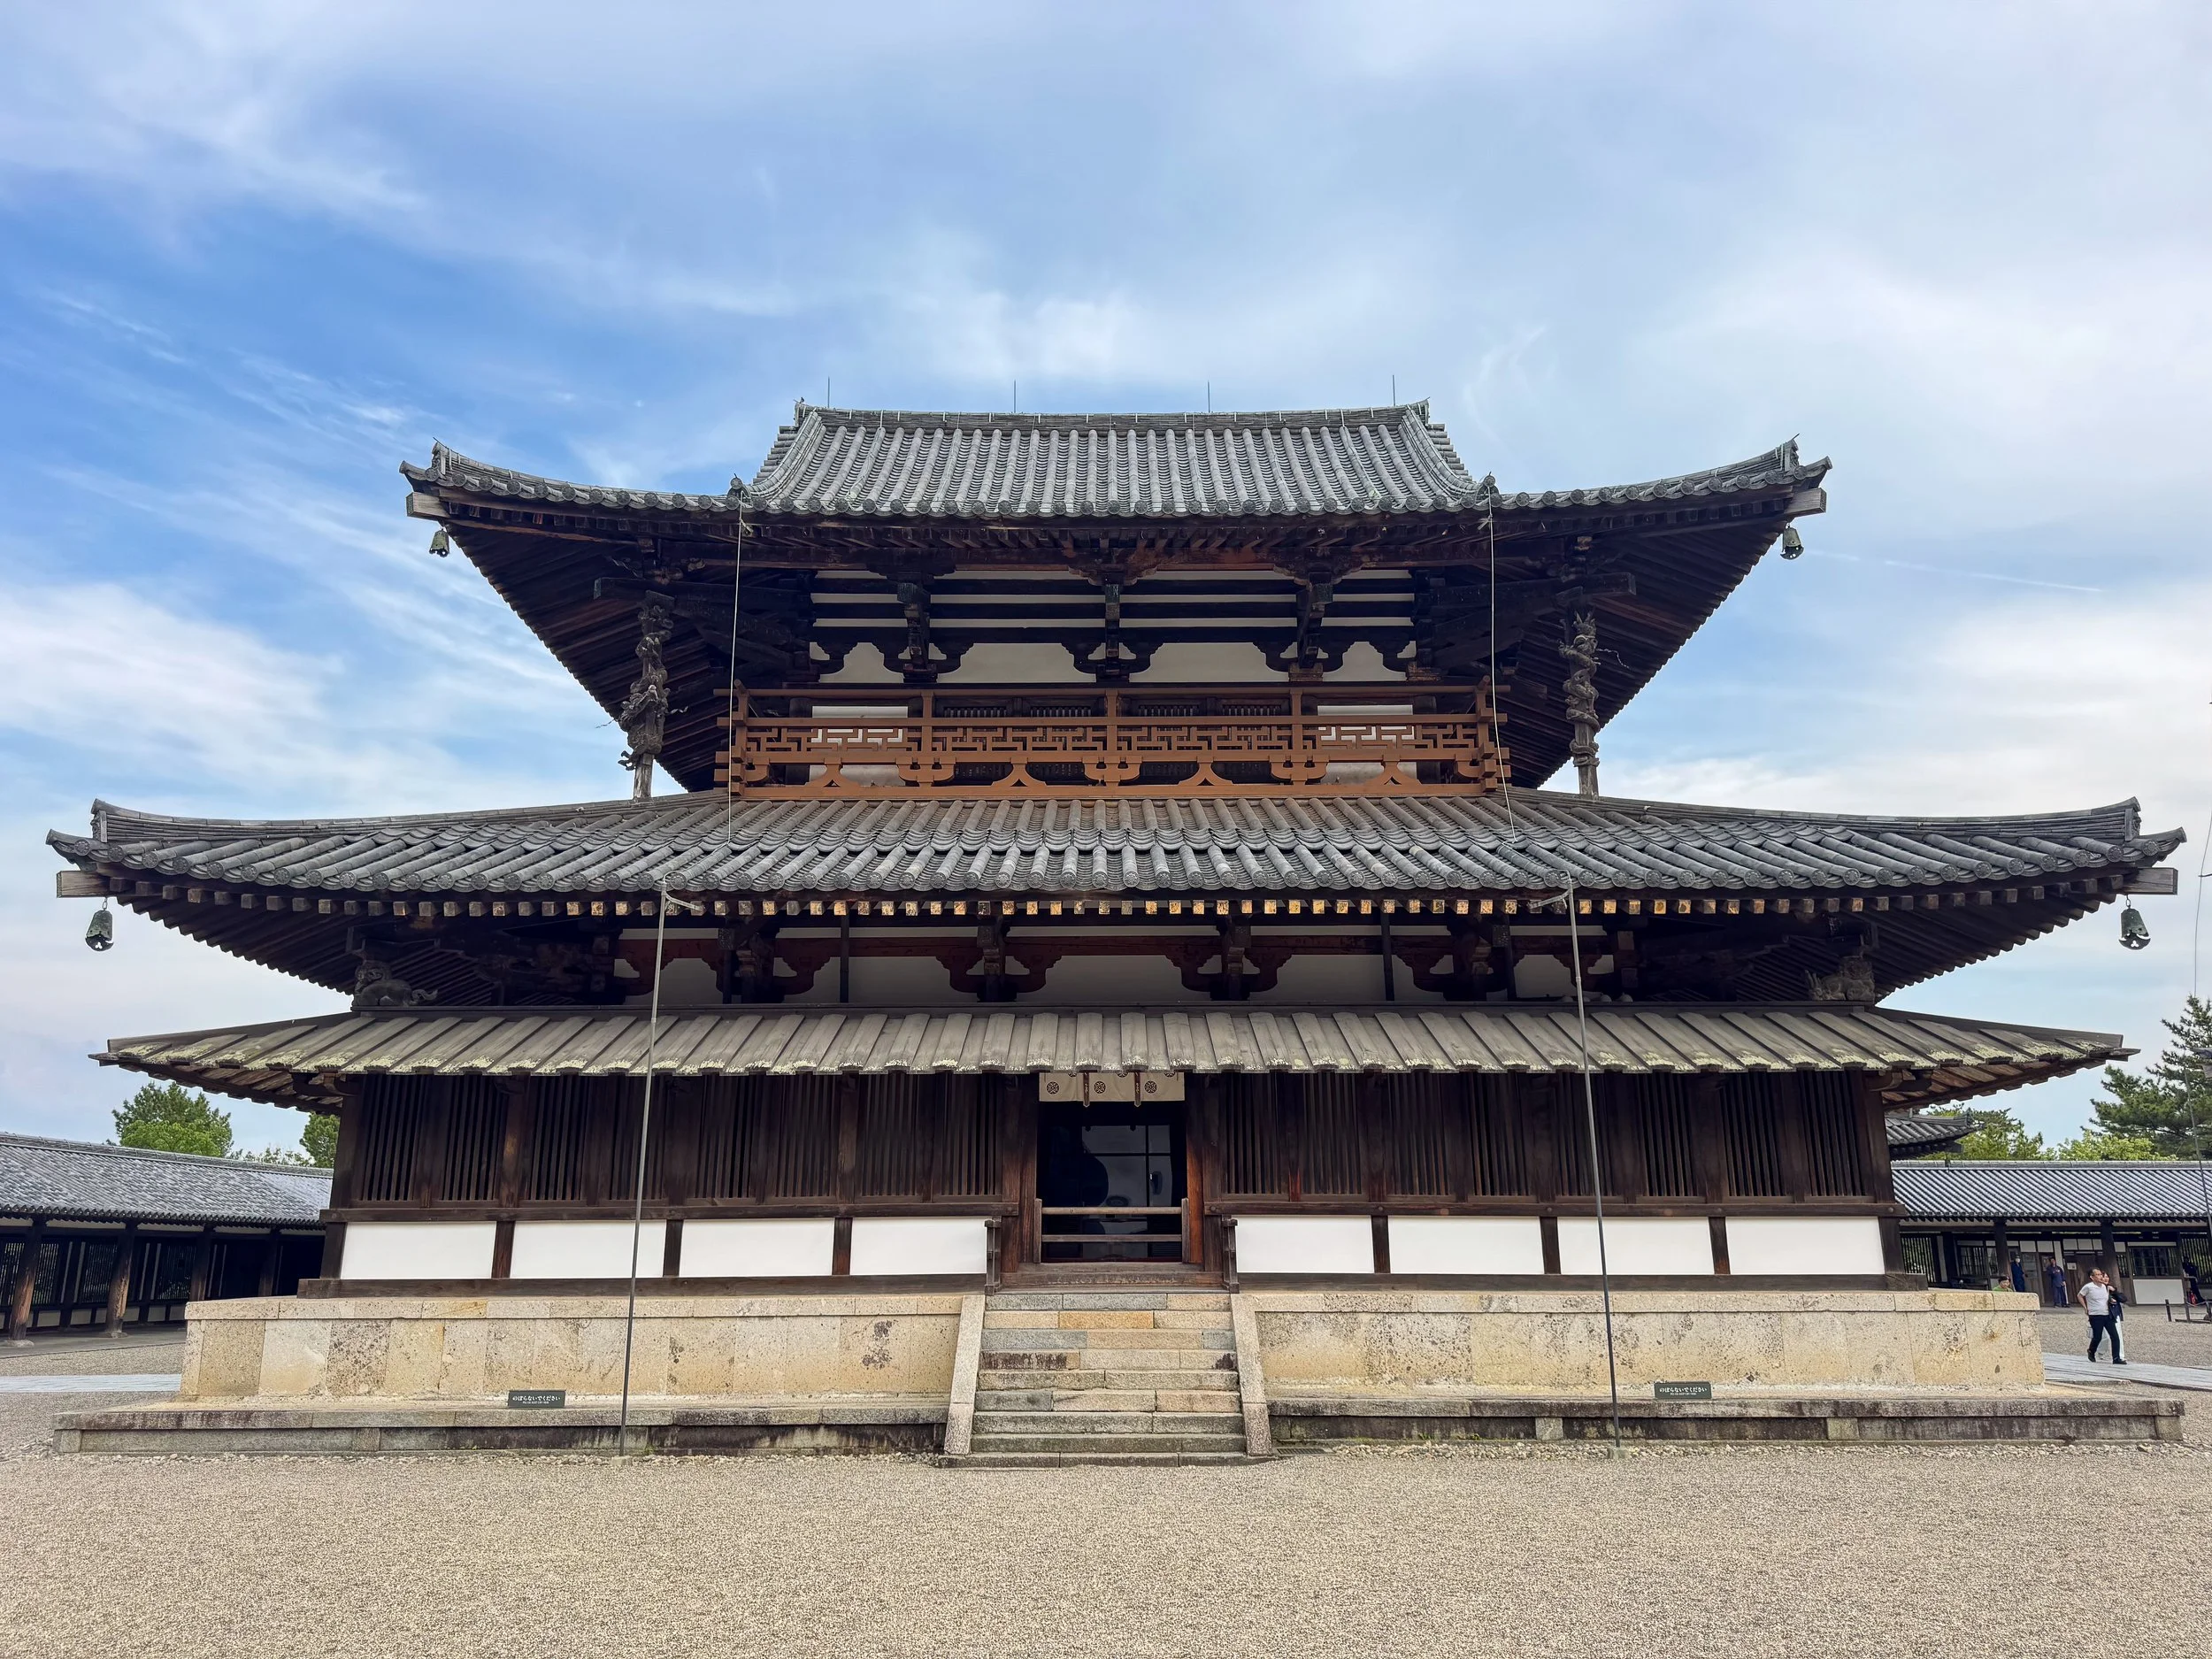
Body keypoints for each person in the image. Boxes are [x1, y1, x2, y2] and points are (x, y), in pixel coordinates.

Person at [2080, 1268, 2125, 1364]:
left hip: (2107, 1314)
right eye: (2097, 1275)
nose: (2100, 1276)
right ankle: (2091, 1351)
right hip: (2095, 1315)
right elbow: (2080, 1295)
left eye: (2101, 1274)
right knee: (2097, 1336)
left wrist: (2112, 1298)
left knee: (2115, 1336)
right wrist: (2085, 1307)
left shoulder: (2106, 1287)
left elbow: (2107, 1298)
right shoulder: (2088, 1287)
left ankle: (2116, 1358)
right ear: (2092, 1277)